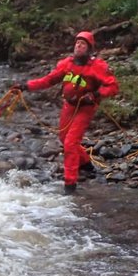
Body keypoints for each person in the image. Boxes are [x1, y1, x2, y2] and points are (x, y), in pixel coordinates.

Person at [13, 30, 119, 195]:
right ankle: (86, 165)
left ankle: (70, 184)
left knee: (70, 143)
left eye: (83, 44)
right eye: (77, 43)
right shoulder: (66, 64)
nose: (79, 45)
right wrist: (26, 86)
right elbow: (48, 80)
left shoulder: (97, 67)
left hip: (84, 109)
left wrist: (96, 95)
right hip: (69, 106)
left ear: (89, 49)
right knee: (64, 138)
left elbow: (112, 86)